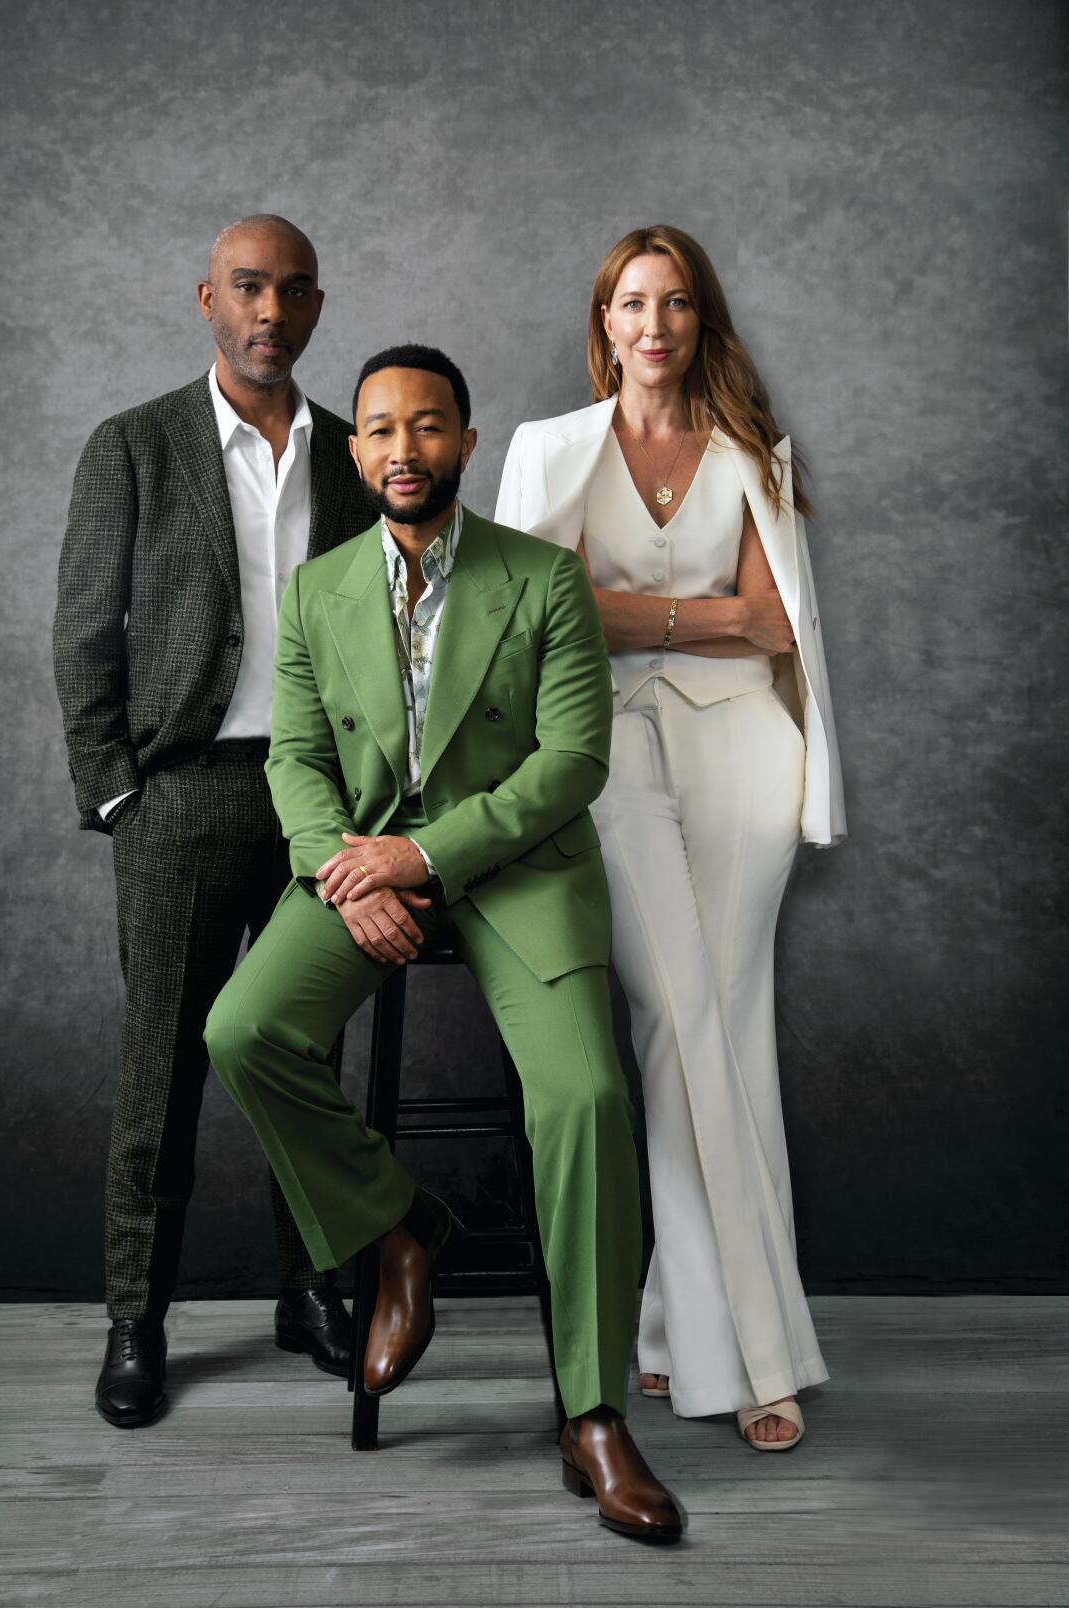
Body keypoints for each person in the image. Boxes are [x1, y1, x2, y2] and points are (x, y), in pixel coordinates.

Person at [204, 345, 686, 1541]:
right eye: (378, 429)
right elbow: (295, 761)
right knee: (245, 1029)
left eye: (428, 427)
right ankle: (401, 1226)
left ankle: (593, 1414)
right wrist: (336, 867)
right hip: (359, 865)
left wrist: (421, 858)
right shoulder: (318, 594)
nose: (403, 449)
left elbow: (572, 763)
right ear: (352, 449)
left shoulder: (543, 579)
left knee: (583, 1101)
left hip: (514, 874)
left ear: (467, 444)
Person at [495, 225, 846, 1451]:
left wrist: (631, 613)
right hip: (603, 759)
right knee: (680, 1018)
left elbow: (776, 629)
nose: (655, 324)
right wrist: (702, 615)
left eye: (677, 302)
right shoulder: (549, 454)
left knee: (724, 1026)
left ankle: (664, 1328)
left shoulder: (755, 454)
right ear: (605, 326)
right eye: (632, 304)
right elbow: (544, 626)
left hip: (747, 753)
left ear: (702, 322)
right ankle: (755, 1355)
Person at [53, 214, 374, 1427]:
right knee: (162, 1073)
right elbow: (84, 630)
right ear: (207, 297)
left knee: (306, 1068)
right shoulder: (134, 446)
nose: (270, 312)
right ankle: (137, 1318)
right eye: (249, 287)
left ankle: (314, 1291)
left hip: (321, 805)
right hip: (181, 795)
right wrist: (119, 792)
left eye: (293, 292)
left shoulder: (353, 456)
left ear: (317, 306)